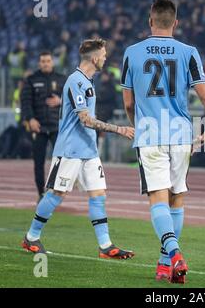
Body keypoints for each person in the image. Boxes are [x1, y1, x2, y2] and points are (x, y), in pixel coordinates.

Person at [121, 0, 205, 284]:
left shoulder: (131, 52)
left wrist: (136, 126)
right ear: (175, 23)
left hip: (151, 133)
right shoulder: (188, 52)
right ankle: (164, 266)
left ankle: (174, 254)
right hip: (179, 133)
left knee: (158, 198)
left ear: (150, 21)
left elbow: (128, 103)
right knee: (177, 198)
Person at [22, 38, 136, 260]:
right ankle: (31, 237)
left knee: (98, 195)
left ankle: (105, 245)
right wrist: (118, 129)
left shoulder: (88, 81)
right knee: (57, 193)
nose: (105, 58)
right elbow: (85, 119)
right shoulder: (75, 81)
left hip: (89, 151)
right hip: (70, 150)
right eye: (103, 55)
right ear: (94, 58)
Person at [21, 51, 66, 201]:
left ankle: (55, 190)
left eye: (48, 61)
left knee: (61, 160)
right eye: (43, 61)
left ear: (52, 62)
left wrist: (61, 101)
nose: (45, 63)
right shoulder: (31, 80)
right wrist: (30, 119)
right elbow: (25, 102)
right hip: (38, 127)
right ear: (39, 63)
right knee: (38, 162)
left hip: (56, 127)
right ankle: (41, 193)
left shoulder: (62, 79)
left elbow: (73, 100)